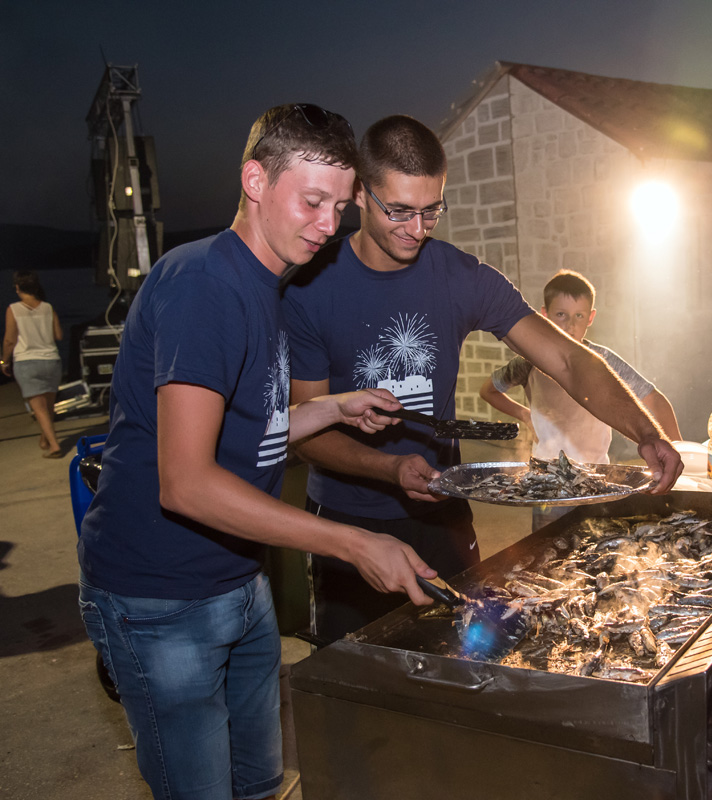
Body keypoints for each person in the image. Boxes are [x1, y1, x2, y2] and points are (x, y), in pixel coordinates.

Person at [76, 103, 439, 800]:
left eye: (339, 206)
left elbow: (249, 429)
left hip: (239, 582)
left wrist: (329, 408)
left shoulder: (265, 282)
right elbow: (185, 482)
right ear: (253, 179)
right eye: (311, 201)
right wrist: (352, 542)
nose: (328, 226)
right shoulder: (204, 286)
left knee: (259, 784)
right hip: (161, 598)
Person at [283, 115, 682, 643]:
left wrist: (646, 432)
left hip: (440, 512)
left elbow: (568, 360)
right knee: (357, 676)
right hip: (345, 519)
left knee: (465, 658)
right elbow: (307, 430)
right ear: (360, 192)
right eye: (398, 210)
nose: (416, 229)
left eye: (431, 211)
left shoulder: (460, 276)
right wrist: (390, 467)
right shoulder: (312, 286)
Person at [480, 269, 681, 527]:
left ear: (591, 318)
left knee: (596, 552)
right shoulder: (527, 362)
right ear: (544, 316)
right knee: (546, 553)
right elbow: (489, 390)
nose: (570, 325)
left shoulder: (602, 363)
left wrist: (676, 448)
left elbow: (655, 400)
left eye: (579, 316)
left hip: (597, 481)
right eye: (561, 315)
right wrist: (523, 414)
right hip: (548, 485)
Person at [2, 270, 65, 457]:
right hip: (51, 361)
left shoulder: (14, 309)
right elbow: (59, 335)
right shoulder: (48, 307)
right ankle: (45, 438)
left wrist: (5, 361)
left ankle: (54, 445)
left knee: (39, 408)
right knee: (48, 407)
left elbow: (9, 340)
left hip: (27, 361)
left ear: (18, 287)